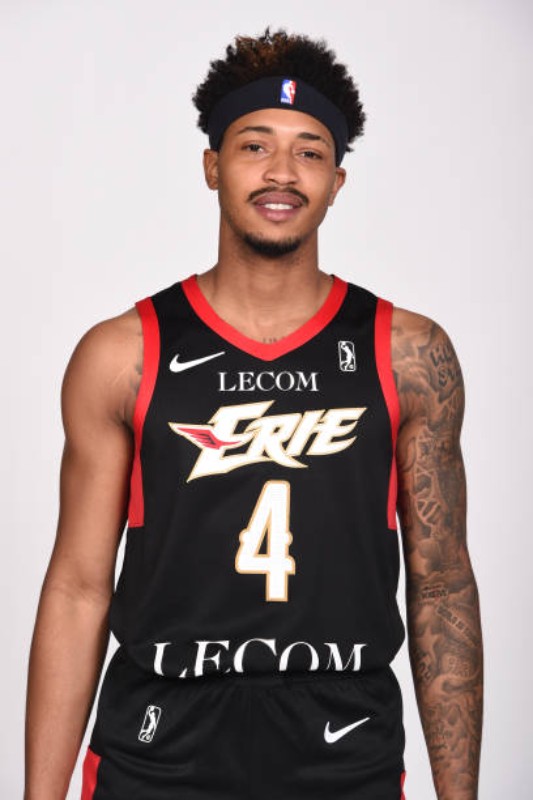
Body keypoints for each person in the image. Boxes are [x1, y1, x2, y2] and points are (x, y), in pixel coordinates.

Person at [25, 28, 483, 800]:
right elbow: (77, 587)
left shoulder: (406, 353)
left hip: (343, 745)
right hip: (157, 746)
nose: (281, 173)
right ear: (212, 166)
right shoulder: (122, 354)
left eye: (309, 151)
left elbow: (440, 586)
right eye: (254, 146)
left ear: (336, 180)